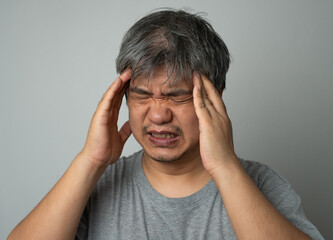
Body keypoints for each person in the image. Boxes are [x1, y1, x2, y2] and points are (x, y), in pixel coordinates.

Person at [8, 9, 323, 240]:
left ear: (216, 97)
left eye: (177, 96)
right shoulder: (95, 185)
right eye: (142, 95)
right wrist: (90, 161)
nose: (158, 115)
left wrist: (225, 166)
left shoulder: (263, 185)